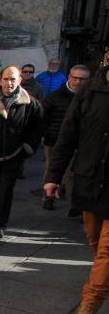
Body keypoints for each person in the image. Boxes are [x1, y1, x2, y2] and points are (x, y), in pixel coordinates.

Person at [44, 60, 109, 314]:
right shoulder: (89, 91)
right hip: (90, 180)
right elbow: (68, 136)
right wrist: (53, 176)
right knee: (95, 243)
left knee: (107, 250)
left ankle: (89, 304)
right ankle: (102, 279)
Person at [0, 66, 44, 240]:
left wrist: (27, 147)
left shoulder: (30, 103)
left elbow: (38, 128)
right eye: (6, 79)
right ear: (0, 80)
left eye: (12, 79)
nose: (9, 83)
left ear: (19, 81)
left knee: (6, 189)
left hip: (14, 154)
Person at [41, 65, 90, 210]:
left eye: (82, 79)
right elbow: (42, 116)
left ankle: (73, 204)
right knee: (52, 168)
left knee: (72, 174)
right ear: (69, 77)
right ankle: (48, 197)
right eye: (75, 78)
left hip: (80, 142)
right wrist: (47, 133)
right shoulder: (55, 96)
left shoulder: (90, 98)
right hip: (54, 140)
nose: (78, 82)